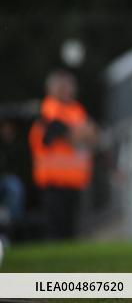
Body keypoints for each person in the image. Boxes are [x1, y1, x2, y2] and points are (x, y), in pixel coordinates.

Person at [27, 71, 98, 240]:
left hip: (75, 180)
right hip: (54, 181)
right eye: (62, 86)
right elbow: (67, 133)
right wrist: (81, 132)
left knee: (71, 230)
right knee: (56, 229)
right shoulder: (48, 109)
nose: (67, 90)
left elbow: (93, 134)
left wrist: (84, 133)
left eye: (69, 86)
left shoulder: (77, 109)